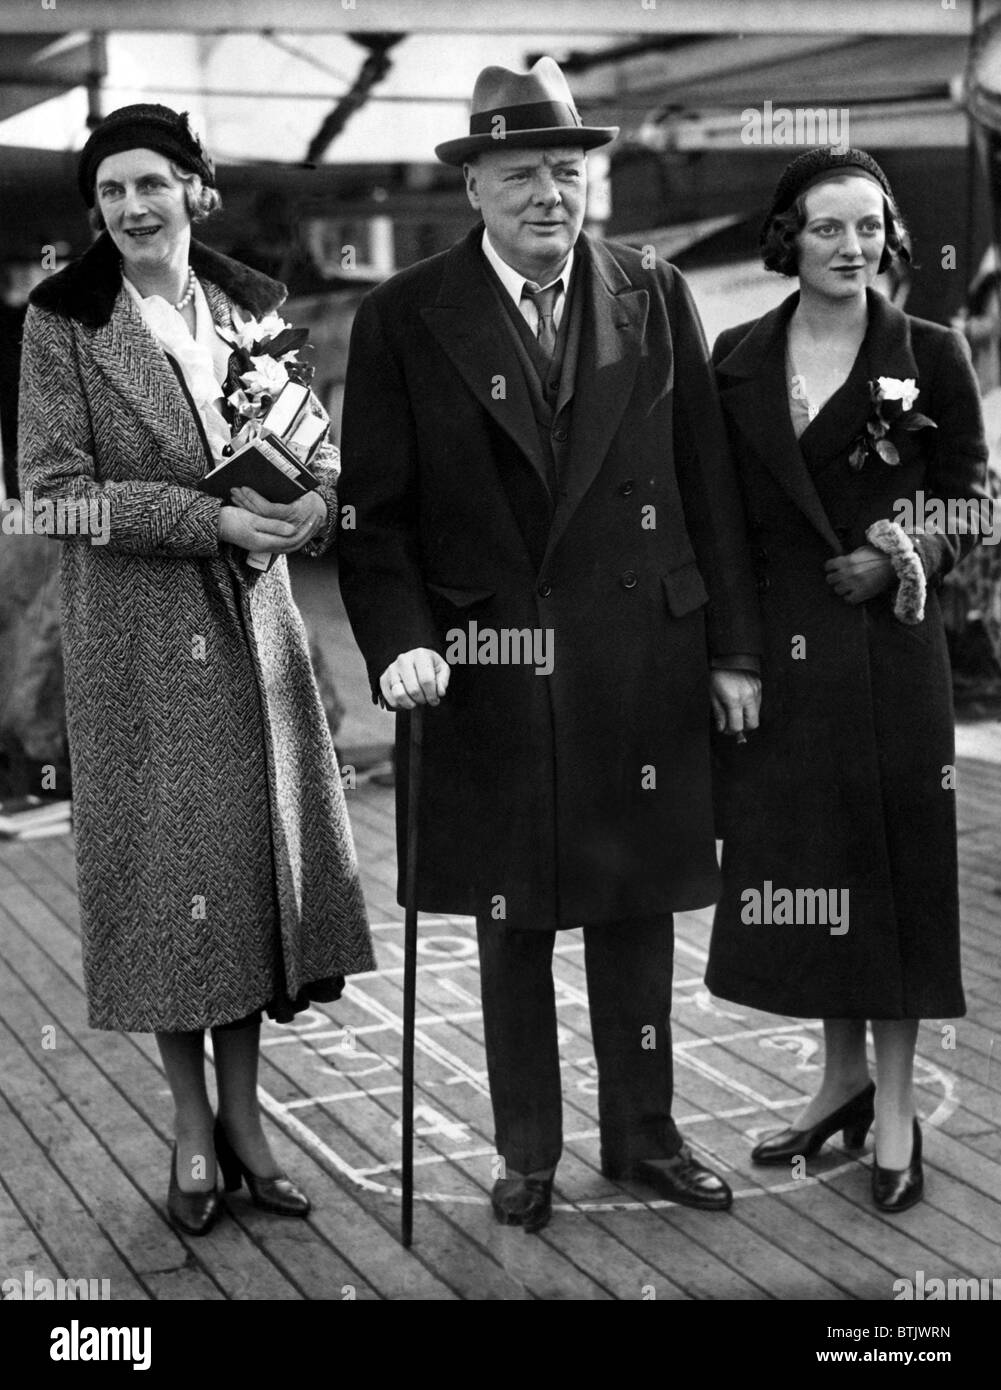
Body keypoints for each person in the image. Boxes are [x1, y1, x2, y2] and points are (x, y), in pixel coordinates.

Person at [337, 57, 761, 1234]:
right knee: (512, 914)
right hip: (489, 662)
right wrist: (399, 646)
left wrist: (733, 650)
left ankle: (645, 1138)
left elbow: (707, 482)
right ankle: (526, 1149)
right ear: (471, 185)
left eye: (565, 171)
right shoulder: (402, 316)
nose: (547, 195)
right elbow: (375, 516)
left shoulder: (651, 289)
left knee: (635, 908)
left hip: (639, 656)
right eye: (518, 172)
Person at [18, 104, 375, 1236]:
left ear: (194, 191)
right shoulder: (62, 319)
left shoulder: (249, 303)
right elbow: (55, 491)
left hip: (252, 633)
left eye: (151, 184)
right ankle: (189, 1123)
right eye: (111, 190)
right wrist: (208, 520)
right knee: (177, 889)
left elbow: (310, 439)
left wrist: (314, 497)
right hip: (138, 639)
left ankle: (246, 1116)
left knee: (251, 876)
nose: (131, 207)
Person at [706, 147, 989, 1213]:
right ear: (787, 238)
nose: (849, 246)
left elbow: (969, 499)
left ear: (889, 238)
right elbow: (720, 522)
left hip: (885, 658)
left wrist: (897, 553)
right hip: (781, 667)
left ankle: (897, 1103)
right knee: (812, 870)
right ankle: (838, 1080)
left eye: (867, 227)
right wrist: (730, 655)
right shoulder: (734, 358)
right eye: (826, 227)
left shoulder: (930, 352)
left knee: (894, 873)